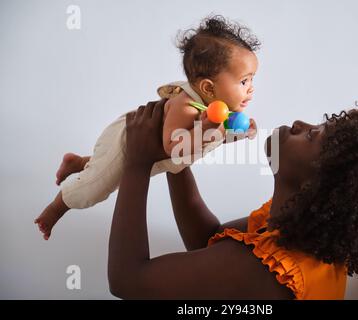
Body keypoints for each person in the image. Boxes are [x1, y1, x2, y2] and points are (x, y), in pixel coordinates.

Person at [107, 100, 358, 299]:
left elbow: (127, 280)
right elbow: (205, 240)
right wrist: (177, 159)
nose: (302, 124)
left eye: (312, 136)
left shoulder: (263, 271)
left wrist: (137, 163)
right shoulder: (296, 233)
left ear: (315, 189)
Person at [34, 15, 259, 240]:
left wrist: (234, 134)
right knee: (96, 187)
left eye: (251, 80)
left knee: (106, 167)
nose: (251, 89)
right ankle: (56, 208)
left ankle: (79, 162)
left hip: (140, 153)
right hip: (127, 141)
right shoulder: (187, 107)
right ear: (208, 87)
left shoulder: (217, 109)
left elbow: (209, 138)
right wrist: (205, 128)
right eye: (244, 81)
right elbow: (173, 146)